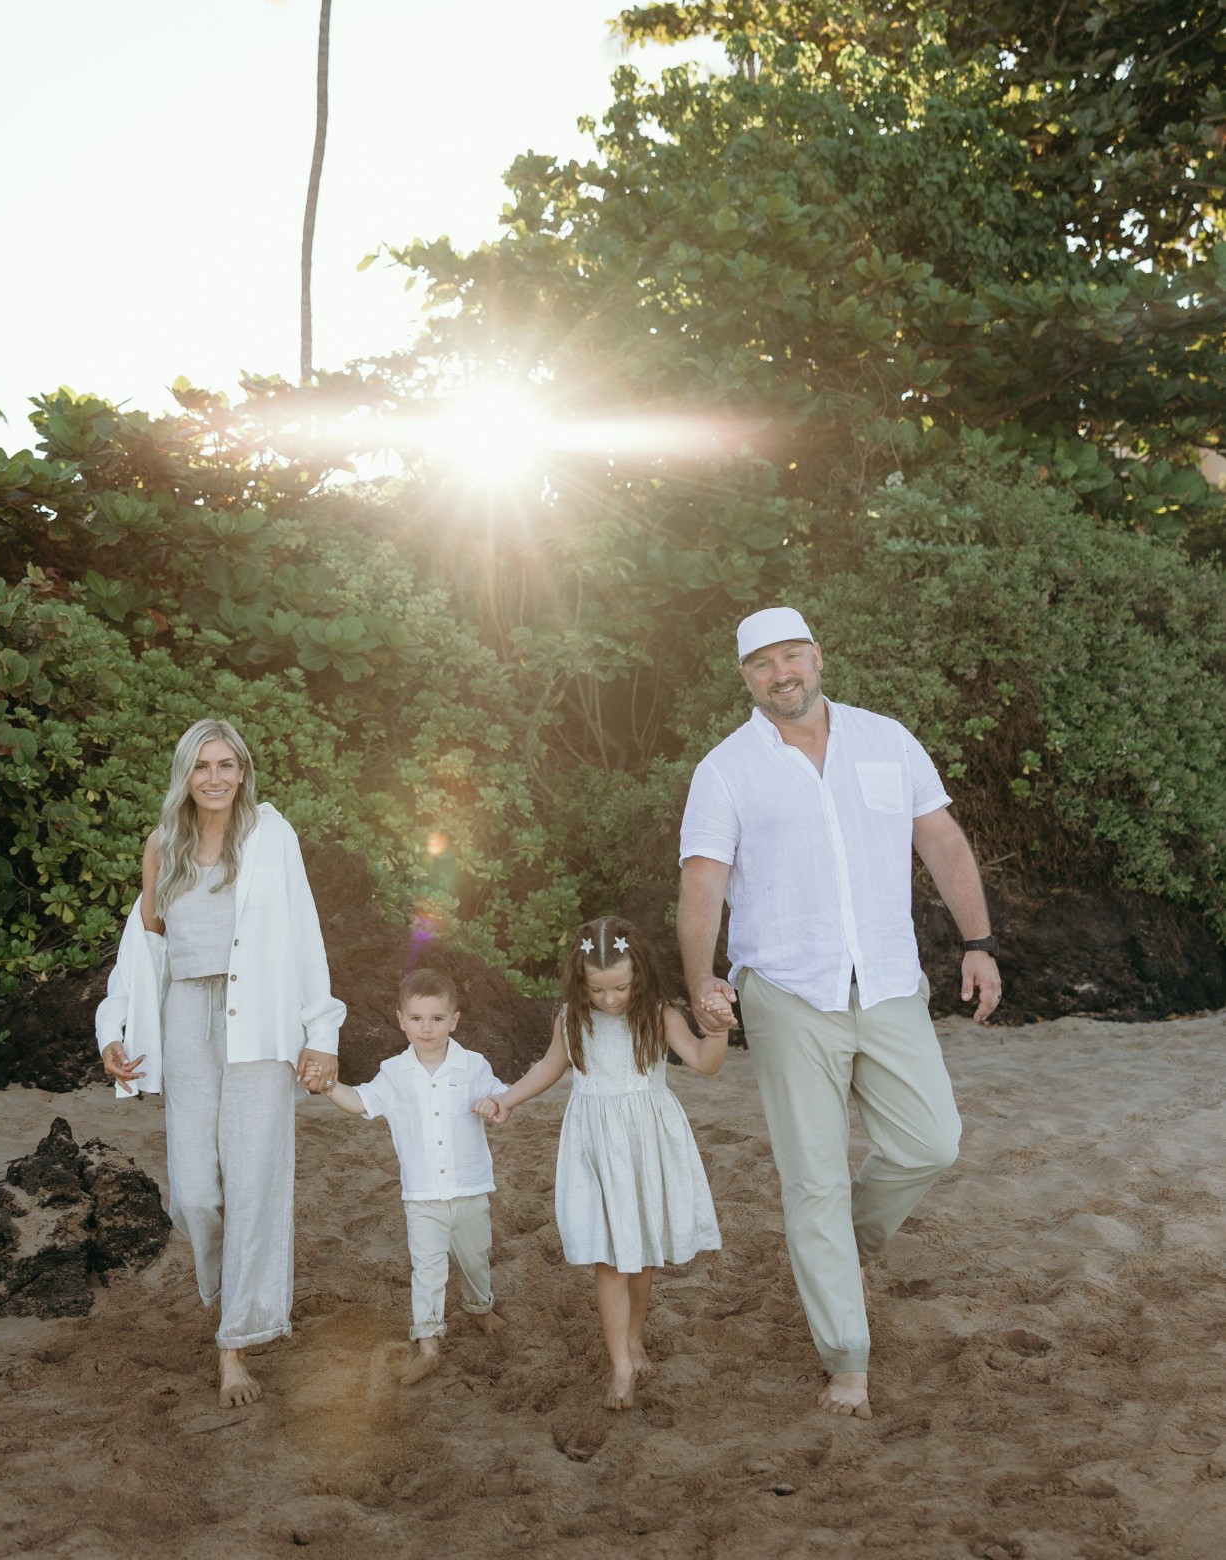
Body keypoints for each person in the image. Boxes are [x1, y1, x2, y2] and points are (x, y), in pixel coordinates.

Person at [677, 605, 1002, 1422]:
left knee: (931, 1141)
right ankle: (845, 1358)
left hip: (887, 981)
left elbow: (941, 842)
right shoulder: (724, 769)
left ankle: (838, 1248)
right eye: (762, 664)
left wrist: (977, 942)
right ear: (745, 678)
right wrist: (701, 980)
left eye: (791, 656)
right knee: (812, 1180)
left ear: (817, 657)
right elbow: (702, 881)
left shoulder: (886, 739)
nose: (780, 674)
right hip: (786, 991)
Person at [95, 716, 344, 1409]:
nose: (214, 778)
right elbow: (144, 946)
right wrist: (113, 1026)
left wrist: (320, 1032)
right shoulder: (162, 844)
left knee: (254, 1185)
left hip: (258, 1024)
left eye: (226, 765)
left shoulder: (271, 835)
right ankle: (228, 1287)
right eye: (202, 766)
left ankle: (234, 1343)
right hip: (186, 1022)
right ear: (185, 774)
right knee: (195, 1194)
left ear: (243, 772)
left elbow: (304, 934)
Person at [475, 916, 726, 1410]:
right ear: (580, 980)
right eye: (597, 989)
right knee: (610, 1258)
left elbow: (705, 1061)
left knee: (644, 1254)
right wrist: (508, 1099)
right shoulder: (572, 1019)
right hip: (595, 1148)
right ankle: (620, 1367)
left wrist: (716, 1030)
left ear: (640, 976)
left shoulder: (659, 1015)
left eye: (621, 987)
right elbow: (549, 1066)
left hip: (646, 1145)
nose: (610, 1000)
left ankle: (634, 1339)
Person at [324, 967, 508, 1379]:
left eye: (437, 1018)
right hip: (423, 1197)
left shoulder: (473, 1066)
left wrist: (495, 1104)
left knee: (476, 1260)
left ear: (454, 1020)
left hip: (470, 1189)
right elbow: (361, 1102)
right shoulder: (394, 1072)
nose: (427, 1028)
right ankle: (428, 1343)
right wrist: (330, 1087)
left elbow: (502, 1095)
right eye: (417, 1018)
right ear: (401, 1020)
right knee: (427, 1270)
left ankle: (480, 1308)